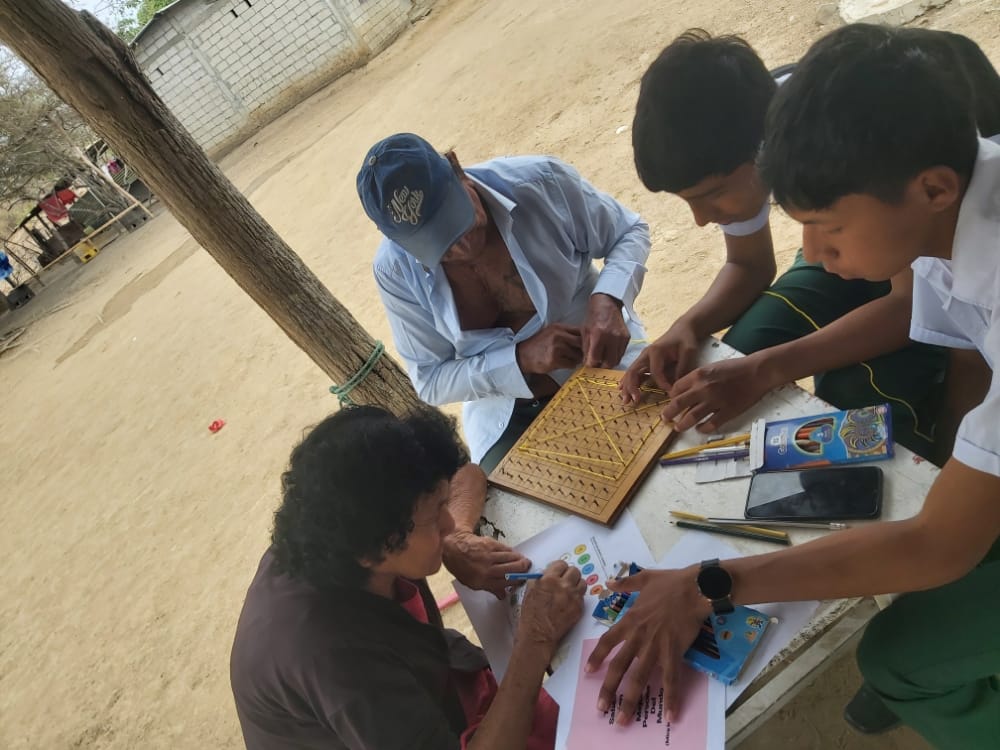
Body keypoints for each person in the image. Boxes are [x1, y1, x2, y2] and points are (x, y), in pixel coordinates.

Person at [585, 24, 1000, 749]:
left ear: (933, 189)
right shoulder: (950, 210)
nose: (809, 252)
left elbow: (938, 545)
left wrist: (707, 584)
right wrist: (959, 472)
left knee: (897, 659)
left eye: (825, 227)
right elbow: (947, 332)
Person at [622, 28, 1000, 458]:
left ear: (762, 151)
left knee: (857, 397)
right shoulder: (750, 133)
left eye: (712, 195)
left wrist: (764, 370)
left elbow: (916, 303)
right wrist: (688, 325)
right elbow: (748, 264)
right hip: (871, 241)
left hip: (917, 251)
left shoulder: (864, 146)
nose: (701, 218)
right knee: (738, 347)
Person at [230, 405, 586, 749]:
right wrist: (535, 641)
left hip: (442, 681)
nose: (447, 522)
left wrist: (457, 537)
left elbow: (468, 475)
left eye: (443, 504)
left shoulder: (338, 529)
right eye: (435, 518)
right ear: (373, 551)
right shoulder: (340, 660)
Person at [358, 133, 650, 472]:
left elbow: (629, 231)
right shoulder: (395, 269)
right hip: (505, 414)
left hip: (605, 364)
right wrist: (519, 359)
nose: (462, 247)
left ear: (457, 168)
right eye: (438, 245)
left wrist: (608, 300)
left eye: (456, 220)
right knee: (512, 503)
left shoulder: (541, 182)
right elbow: (431, 379)